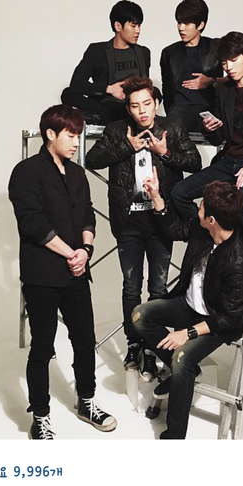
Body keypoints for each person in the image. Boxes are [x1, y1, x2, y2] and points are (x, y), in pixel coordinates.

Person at [8, 104, 117, 439]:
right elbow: (32, 223)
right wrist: (72, 253)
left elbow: (88, 215)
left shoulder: (78, 174)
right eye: (71, 135)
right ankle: (40, 416)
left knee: (85, 341)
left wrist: (85, 251)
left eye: (78, 135)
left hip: (76, 272)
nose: (76, 142)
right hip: (41, 275)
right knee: (43, 347)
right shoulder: (26, 172)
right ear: (50, 134)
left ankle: (87, 401)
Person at [85, 76, 201, 379]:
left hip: (162, 221)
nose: (142, 111)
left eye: (147, 104)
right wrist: (127, 146)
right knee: (131, 288)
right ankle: (134, 344)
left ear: (156, 103)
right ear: (128, 108)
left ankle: (153, 346)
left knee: (159, 289)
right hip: (128, 223)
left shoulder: (171, 127)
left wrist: (165, 152)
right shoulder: (116, 130)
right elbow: (91, 159)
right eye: (135, 106)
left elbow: (195, 163)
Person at [132, 175, 243, 439]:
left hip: (216, 321)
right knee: (140, 316)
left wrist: (186, 334)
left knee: (181, 358)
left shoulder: (238, 260)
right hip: (189, 304)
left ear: (212, 219)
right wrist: (156, 197)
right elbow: (175, 229)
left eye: (201, 206)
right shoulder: (203, 230)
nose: (196, 208)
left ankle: (175, 436)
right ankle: (185, 373)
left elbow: (229, 317)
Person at [171, 30, 243, 246]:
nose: (228, 67)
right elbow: (218, 139)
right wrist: (209, 128)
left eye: (233, 60)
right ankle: (210, 241)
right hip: (228, 161)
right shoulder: (223, 89)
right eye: (224, 62)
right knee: (179, 193)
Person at [61, 0, 151, 124]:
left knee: (154, 93)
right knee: (68, 93)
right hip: (105, 103)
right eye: (133, 26)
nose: (138, 31)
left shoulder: (143, 52)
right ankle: (102, 115)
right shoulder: (97, 51)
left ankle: (99, 117)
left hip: (130, 104)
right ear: (118, 26)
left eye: (139, 26)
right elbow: (77, 84)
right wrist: (109, 89)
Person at [160, 0, 223, 132]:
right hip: (178, 111)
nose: (181, 28)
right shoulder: (169, 52)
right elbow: (167, 91)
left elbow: (235, 77)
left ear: (200, 25)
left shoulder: (216, 47)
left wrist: (211, 80)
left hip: (209, 110)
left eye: (187, 23)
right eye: (179, 22)